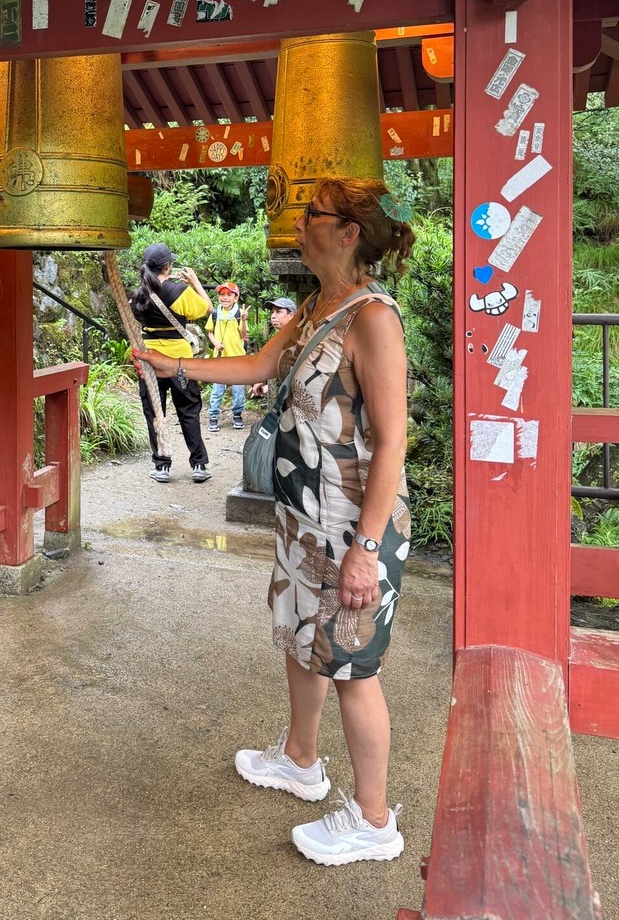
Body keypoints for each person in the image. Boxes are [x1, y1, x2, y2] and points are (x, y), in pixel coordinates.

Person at [133, 178, 415, 866]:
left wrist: (366, 551)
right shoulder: (321, 305)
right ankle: (299, 758)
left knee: (351, 663)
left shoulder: (373, 319)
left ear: (348, 232)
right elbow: (260, 364)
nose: (298, 225)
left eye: (312, 215)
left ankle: (375, 821)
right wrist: (172, 361)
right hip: (303, 516)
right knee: (299, 635)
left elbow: (392, 442)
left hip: (353, 525)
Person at [130, 242, 214, 484]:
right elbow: (207, 308)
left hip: (149, 363)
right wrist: (195, 282)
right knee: (189, 410)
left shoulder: (137, 296)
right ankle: (198, 464)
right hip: (179, 362)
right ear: (168, 266)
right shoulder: (180, 291)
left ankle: (162, 466)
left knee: (155, 411)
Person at [206, 281, 249, 430]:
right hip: (220, 358)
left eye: (229, 295)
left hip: (237, 358)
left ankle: (237, 415)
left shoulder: (238, 314)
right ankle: (213, 416)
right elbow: (210, 332)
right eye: (222, 294)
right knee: (217, 389)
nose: (225, 297)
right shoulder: (215, 314)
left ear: (236, 298)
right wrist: (216, 343)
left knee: (238, 390)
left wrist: (243, 320)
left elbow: (243, 334)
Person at [250, 297, 297, 399]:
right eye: (273, 312)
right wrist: (264, 381)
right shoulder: (278, 338)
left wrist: (272, 385)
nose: (273, 316)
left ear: (291, 316)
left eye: (278, 312)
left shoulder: (297, 339)